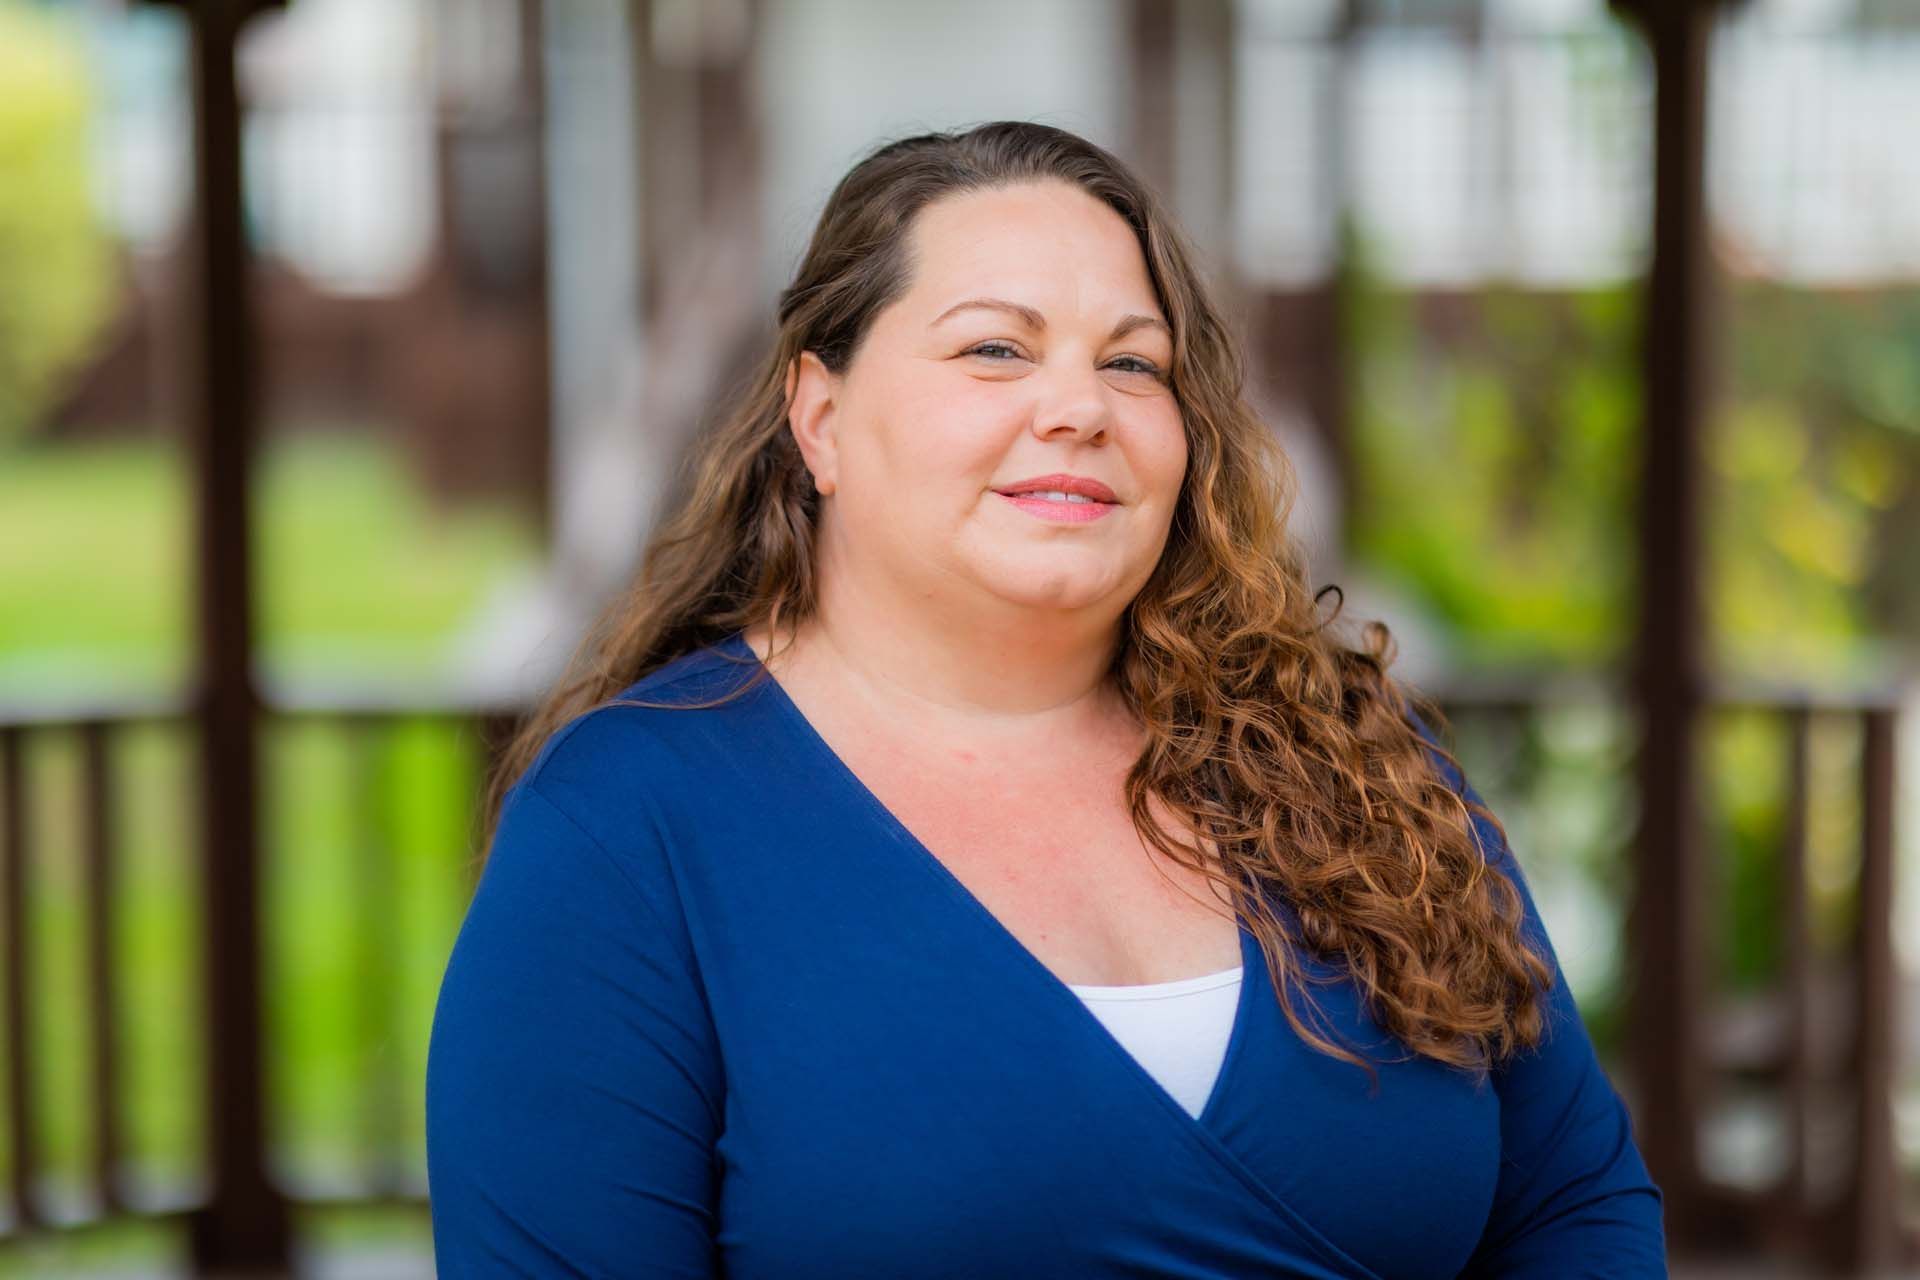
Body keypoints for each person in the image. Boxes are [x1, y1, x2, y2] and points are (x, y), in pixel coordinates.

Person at [425, 120, 1667, 1277]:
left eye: (1134, 363)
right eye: (994, 349)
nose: (1078, 407)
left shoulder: (1354, 762)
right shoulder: (622, 834)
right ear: (822, 419)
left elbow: (1574, 1201)